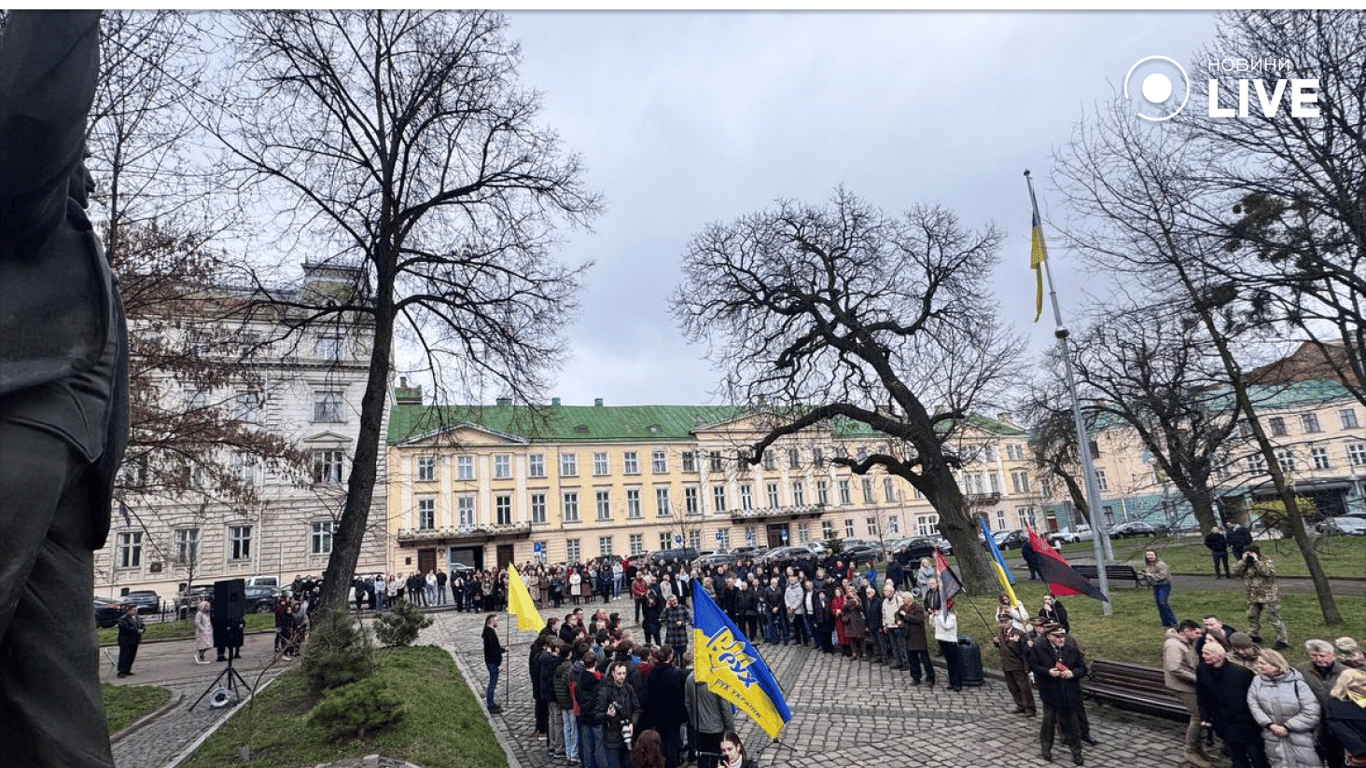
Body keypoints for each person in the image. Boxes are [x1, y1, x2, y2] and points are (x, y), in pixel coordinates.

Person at [1, 12, 131, 768]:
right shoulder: (28, 209)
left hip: (65, 469)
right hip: (24, 423)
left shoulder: (71, 243)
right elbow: (32, 111)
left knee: (58, 715)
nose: (77, 160)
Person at [1196, 640, 1272, 768]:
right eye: (1203, 652)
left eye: (1207, 653)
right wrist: (1205, 716)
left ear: (1219, 655)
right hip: (1223, 721)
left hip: (1246, 723)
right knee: (1236, 757)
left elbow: (1255, 699)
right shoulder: (1202, 669)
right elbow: (1202, 695)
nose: (1204, 656)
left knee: (1257, 756)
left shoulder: (1242, 673)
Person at [1247, 648, 1322, 768]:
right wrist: (1270, 725)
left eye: (1262, 663)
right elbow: (1253, 705)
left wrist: (1288, 727)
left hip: (1300, 738)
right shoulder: (1257, 682)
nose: (1258, 666)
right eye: (1258, 663)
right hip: (1272, 737)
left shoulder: (1297, 684)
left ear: (1276, 665)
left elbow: (1312, 711)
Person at [1029, 625, 1089, 765]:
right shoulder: (1039, 649)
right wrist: (1048, 671)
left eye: (1062, 636)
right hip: (1050, 692)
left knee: (1072, 725)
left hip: (1069, 693)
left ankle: (1076, 753)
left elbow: (1083, 668)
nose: (1061, 639)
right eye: (1057, 636)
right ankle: (1046, 749)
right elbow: (1033, 666)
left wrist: (1073, 673)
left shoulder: (1071, 649)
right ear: (1049, 637)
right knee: (1048, 722)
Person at [1165, 619, 1215, 767]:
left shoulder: (1184, 643)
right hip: (1183, 687)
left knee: (1200, 716)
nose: (1200, 635)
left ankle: (1198, 750)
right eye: (1197, 632)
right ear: (1186, 631)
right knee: (1197, 717)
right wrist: (1198, 679)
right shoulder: (1174, 645)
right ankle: (1190, 750)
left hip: (1189, 685)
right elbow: (1174, 668)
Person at [1297, 639, 1347, 768]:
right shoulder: (1301, 670)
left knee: (1338, 758)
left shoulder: (1346, 672)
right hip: (1314, 722)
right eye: (1313, 655)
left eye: (1322, 655)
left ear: (1333, 656)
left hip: (1339, 722)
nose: (1318, 659)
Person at [1234, 545, 1290, 651]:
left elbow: (1267, 572)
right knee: (1252, 616)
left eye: (1250, 553)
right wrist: (1243, 561)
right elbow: (1235, 572)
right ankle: (1253, 635)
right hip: (1253, 595)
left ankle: (1282, 640)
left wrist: (1256, 561)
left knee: (1273, 617)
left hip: (1268, 595)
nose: (1249, 555)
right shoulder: (1245, 564)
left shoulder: (1266, 561)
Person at [685, 651, 735, 768]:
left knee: (702, 758)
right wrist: (730, 730)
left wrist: (694, 722)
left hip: (699, 728)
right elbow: (725, 709)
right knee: (718, 760)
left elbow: (687, 704)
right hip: (716, 729)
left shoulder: (690, 679)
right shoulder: (716, 680)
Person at [597, 660, 640, 768]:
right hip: (612, 737)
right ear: (613, 673)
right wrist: (607, 715)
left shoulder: (629, 689)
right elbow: (597, 715)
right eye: (619, 673)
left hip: (627, 735)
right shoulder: (605, 691)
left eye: (624, 673)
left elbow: (636, 709)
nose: (622, 676)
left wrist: (632, 723)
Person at [993, 615, 1035, 716]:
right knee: (1012, 687)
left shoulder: (1019, 633)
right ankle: (1020, 704)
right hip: (1006, 664)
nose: (1004, 624)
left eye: (1006, 621)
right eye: (1002, 622)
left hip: (1017, 664)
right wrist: (996, 643)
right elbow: (1002, 647)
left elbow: (1024, 650)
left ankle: (1029, 707)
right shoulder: (1001, 633)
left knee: (1023, 687)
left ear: (1011, 621)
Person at [1325, 668, 1366, 768]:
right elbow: (1341, 732)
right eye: (1363, 685)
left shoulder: (1362, 698)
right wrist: (1361, 751)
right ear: (1348, 684)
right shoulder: (1335, 703)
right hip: (1358, 753)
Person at [898, 591, 935, 686]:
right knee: (912, 659)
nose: (902, 600)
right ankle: (915, 677)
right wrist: (899, 620)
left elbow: (918, 619)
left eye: (904, 598)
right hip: (908, 637)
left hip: (918, 637)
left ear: (909, 598)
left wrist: (905, 616)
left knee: (925, 659)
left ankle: (930, 677)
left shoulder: (917, 607)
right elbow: (897, 615)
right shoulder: (902, 608)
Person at [1137, 550, 1178, 628]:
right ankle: (1165, 623)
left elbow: (1163, 576)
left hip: (1164, 585)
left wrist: (1150, 575)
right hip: (1155, 586)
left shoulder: (1160, 564)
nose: (1150, 556)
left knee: (1163, 603)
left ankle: (1174, 622)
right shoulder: (1149, 565)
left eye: (1152, 555)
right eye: (1148, 555)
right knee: (1159, 604)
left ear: (1155, 555)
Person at [932, 605, 963, 691]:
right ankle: (951, 681)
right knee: (949, 662)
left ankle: (958, 683)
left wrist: (938, 617)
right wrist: (933, 617)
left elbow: (947, 626)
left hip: (950, 640)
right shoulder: (941, 615)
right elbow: (934, 625)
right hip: (941, 639)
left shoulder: (952, 617)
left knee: (954, 662)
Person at [483, 614, 505, 714]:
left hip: (491, 661)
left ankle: (491, 703)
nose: (498, 622)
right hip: (492, 663)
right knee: (492, 684)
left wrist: (504, 650)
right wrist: (498, 664)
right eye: (497, 620)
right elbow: (493, 651)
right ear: (491, 621)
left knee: (492, 683)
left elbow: (496, 648)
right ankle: (491, 705)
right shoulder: (490, 633)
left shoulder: (489, 632)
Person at [115, 606, 145, 678]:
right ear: (129, 611)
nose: (135, 611)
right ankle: (121, 671)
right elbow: (125, 628)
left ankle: (128, 669)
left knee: (132, 655)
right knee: (124, 656)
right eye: (133, 610)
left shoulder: (138, 618)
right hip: (126, 640)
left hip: (135, 639)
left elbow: (141, 625)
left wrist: (142, 629)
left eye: (136, 610)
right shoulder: (124, 619)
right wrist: (135, 630)